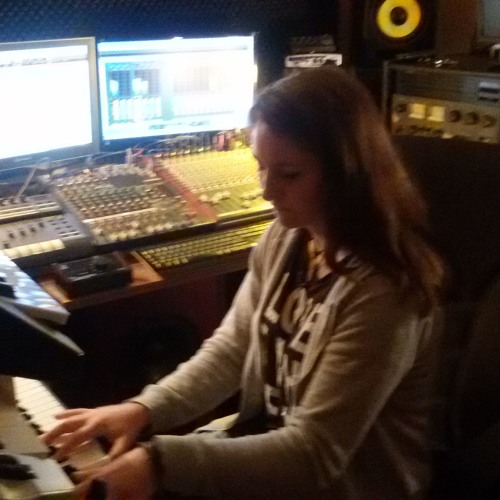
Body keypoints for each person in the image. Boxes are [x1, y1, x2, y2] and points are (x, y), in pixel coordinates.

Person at [42, 66, 445, 499]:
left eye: (289, 174)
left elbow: (314, 456)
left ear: (348, 172)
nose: (267, 191)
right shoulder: (288, 237)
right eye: (261, 166)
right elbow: (233, 350)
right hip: (275, 453)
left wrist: (157, 463)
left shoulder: (385, 292)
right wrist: (142, 410)